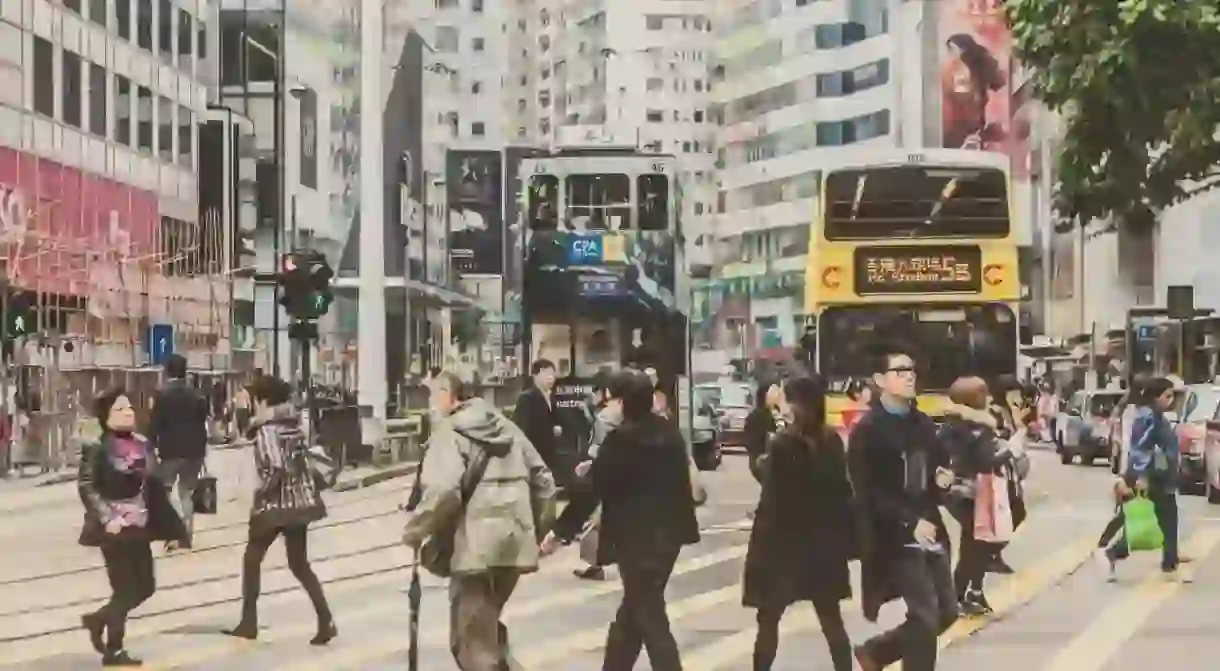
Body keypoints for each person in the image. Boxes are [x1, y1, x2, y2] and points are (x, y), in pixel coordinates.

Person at [543, 370, 700, 671]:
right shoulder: (670, 433)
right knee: (634, 613)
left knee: (650, 618)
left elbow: (594, 490)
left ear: (625, 402)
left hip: (636, 540)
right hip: (669, 539)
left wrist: (560, 530)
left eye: (614, 399)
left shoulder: (621, 440)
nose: (610, 405)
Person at [403, 372, 557, 670]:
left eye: (433, 396)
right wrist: (533, 531)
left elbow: (443, 491)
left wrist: (415, 530)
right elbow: (545, 483)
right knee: (485, 634)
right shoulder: (507, 428)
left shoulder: (449, 432)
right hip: (513, 544)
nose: (431, 404)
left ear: (450, 395)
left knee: (472, 646)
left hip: (474, 550)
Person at [848, 344, 957, 671]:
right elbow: (867, 493)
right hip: (895, 537)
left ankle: (876, 654)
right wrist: (909, 522)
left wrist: (942, 479)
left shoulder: (922, 423)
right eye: (900, 371)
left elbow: (937, 466)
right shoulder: (867, 431)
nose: (909, 377)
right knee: (925, 618)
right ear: (880, 379)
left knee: (946, 613)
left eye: (911, 370)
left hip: (930, 529)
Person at [743, 375, 855, 671]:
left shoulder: (782, 443)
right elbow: (843, 491)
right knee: (831, 619)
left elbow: (770, 485)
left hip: (781, 545)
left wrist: (766, 454)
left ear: (796, 404)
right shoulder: (831, 440)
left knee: (768, 619)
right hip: (822, 544)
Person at [223, 375, 336, 645]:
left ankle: (249, 621)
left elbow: (274, 465)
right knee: (299, 564)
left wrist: (263, 491)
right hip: (300, 503)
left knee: (252, 558)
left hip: (274, 506)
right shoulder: (295, 425)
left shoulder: (266, 430)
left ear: (261, 400)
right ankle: (325, 619)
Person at [78, 387, 187, 666]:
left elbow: (155, 486)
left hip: (140, 524)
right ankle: (114, 650)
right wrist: (107, 517)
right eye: (120, 409)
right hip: (113, 528)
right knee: (125, 588)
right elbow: (87, 486)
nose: (128, 413)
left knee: (146, 586)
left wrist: (172, 530)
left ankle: (98, 619)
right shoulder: (97, 447)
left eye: (129, 408)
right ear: (105, 416)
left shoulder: (143, 444)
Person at [1100, 376, 1190, 583]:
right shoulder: (1147, 418)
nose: (1171, 400)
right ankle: (1115, 552)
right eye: (1167, 395)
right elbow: (1140, 449)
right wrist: (1141, 476)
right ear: (1155, 396)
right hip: (1151, 478)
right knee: (1152, 522)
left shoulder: (1156, 416)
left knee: (1167, 520)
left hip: (1162, 477)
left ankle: (1169, 563)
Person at [940, 377, 1013, 616]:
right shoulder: (971, 427)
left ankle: (971, 592)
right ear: (972, 399)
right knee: (975, 543)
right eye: (983, 394)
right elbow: (984, 463)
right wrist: (1010, 451)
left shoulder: (955, 424)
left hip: (965, 492)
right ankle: (959, 596)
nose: (988, 398)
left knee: (977, 541)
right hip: (966, 492)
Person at [149, 353, 210, 550]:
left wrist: (149, 446)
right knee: (186, 493)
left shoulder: (161, 394)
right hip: (194, 452)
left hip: (169, 451)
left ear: (167, 371)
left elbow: (154, 424)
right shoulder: (197, 394)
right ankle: (186, 535)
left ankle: (171, 533)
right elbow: (203, 423)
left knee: (166, 492)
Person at [571, 371, 629, 581]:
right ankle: (599, 563)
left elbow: (599, 447)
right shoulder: (629, 413)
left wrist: (590, 461)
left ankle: (598, 564)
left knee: (597, 519)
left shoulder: (605, 416)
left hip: (605, 474)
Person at [513, 359, 567, 486]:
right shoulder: (527, 398)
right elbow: (522, 429)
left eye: (552, 374)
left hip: (550, 454)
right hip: (535, 455)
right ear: (535, 376)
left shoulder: (552, 397)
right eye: (546, 374)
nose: (550, 378)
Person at [743, 382, 784, 483]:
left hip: (757, 459)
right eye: (775, 393)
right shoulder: (766, 415)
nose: (778, 396)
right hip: (765, 459)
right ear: (766, 395)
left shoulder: (754, 415)